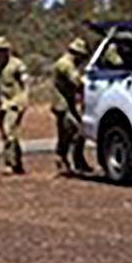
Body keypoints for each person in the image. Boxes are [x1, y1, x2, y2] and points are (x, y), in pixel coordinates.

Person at [0, 36, 29, 176]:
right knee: (8, 134)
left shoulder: (17, 65)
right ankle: (17, 163)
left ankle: (9, 164)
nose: (0, 54)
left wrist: (23, 101)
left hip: (15, 103)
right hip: (2, 104)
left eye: (2, 50)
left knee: (9, 132)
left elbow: (25, 84)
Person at [51, 38, 91, 175]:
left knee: (75, 132)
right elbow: (76, 82)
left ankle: (76, 160)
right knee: (69, 132)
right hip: (63, 104)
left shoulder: (67, 63)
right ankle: (62, 159)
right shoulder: (65, 64)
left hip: (69, 103)